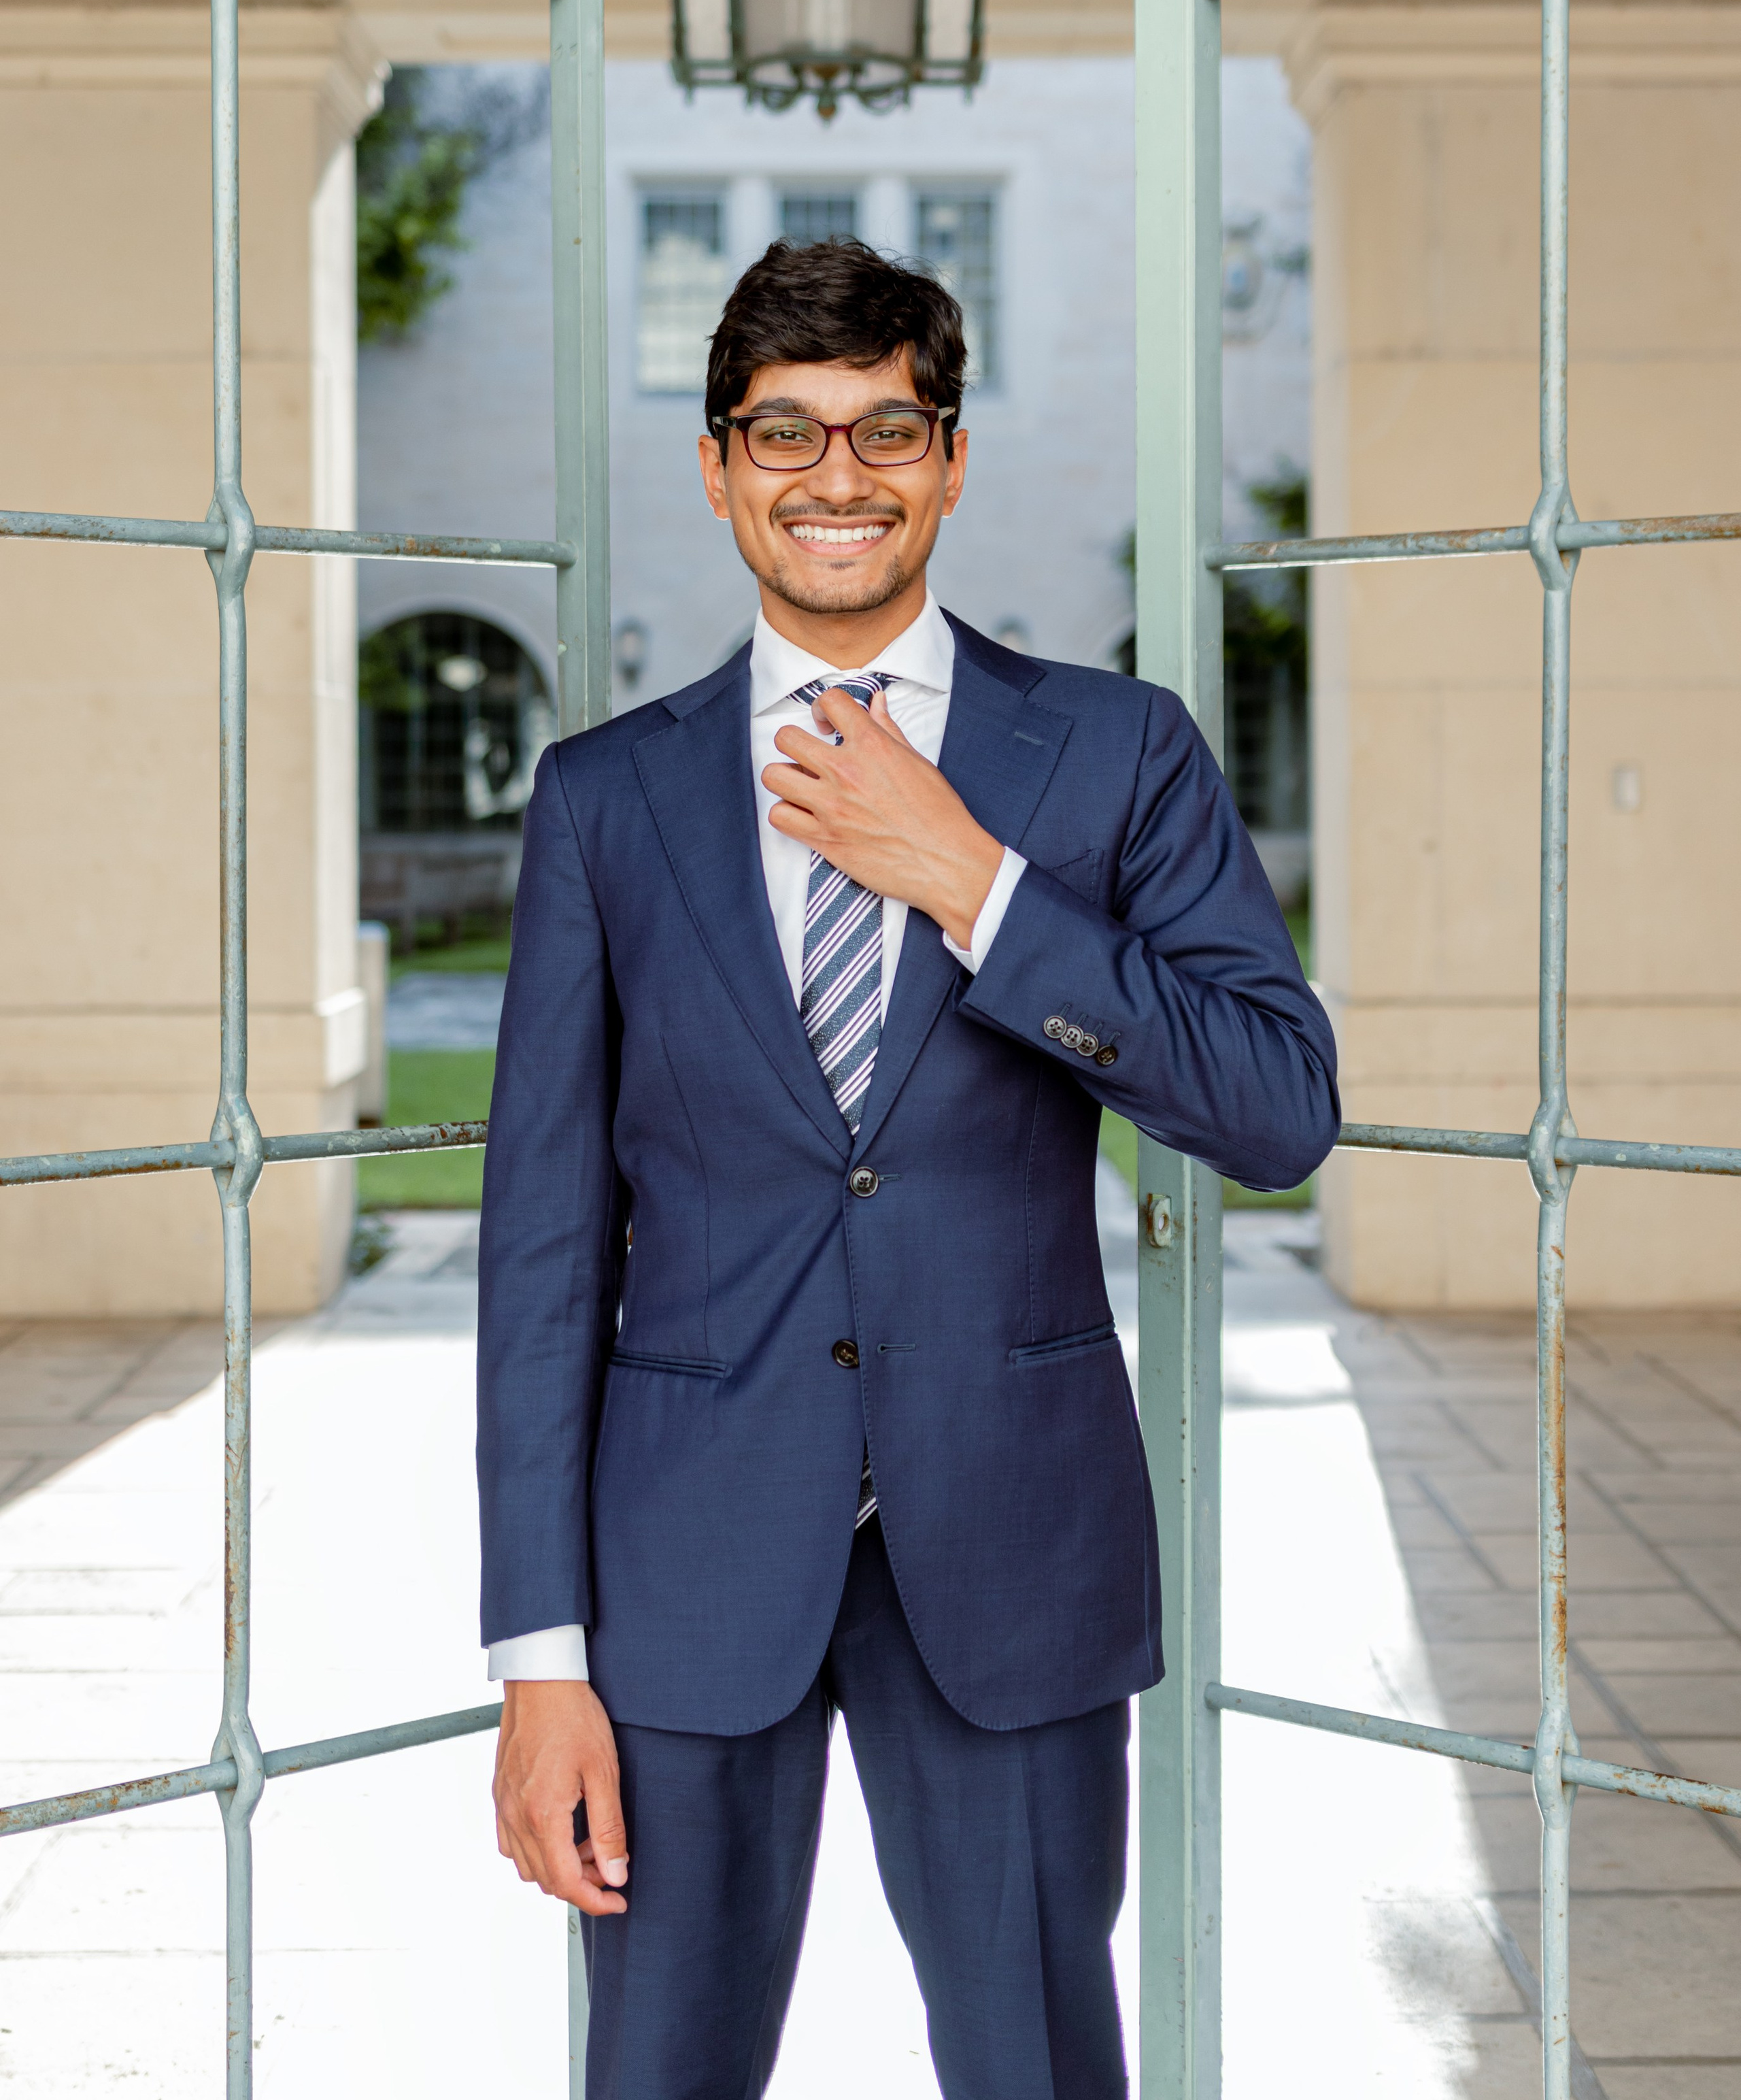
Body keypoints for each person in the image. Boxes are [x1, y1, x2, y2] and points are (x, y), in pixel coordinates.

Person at [478, 236, 1338, 2099]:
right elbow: (544, 1253)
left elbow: (1278, 1105)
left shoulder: (1113, 756)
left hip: (1012, 1546)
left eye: (886, 427)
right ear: (716, 467)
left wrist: (974, 880)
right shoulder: (606, 801)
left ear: (949, 459)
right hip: (683, 1569)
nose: (836, 473)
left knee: (1036, 2064)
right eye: (783, 430)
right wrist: (541, 1654)